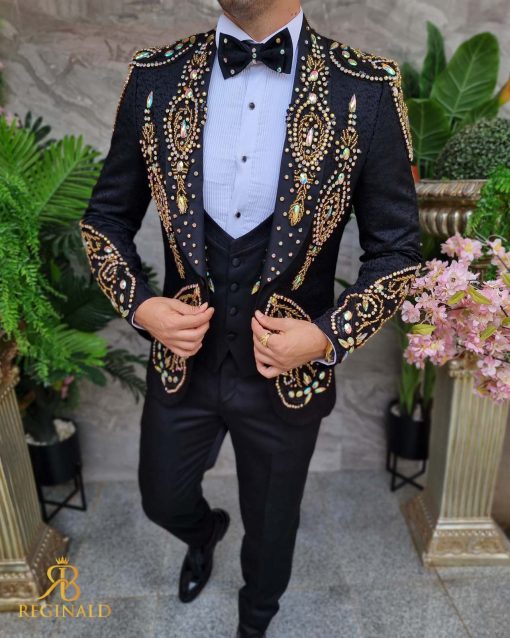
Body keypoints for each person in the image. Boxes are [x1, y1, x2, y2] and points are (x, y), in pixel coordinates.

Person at [80, 0, 422, 635]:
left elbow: (398, 251)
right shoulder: (155, 75)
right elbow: (104, 220)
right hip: (184, 362)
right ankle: (203, 532)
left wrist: (325, 336)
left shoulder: (366, 87)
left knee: (271, 530)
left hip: (288, 372)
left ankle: (255, 620)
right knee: (161, 498)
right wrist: (142, 306)